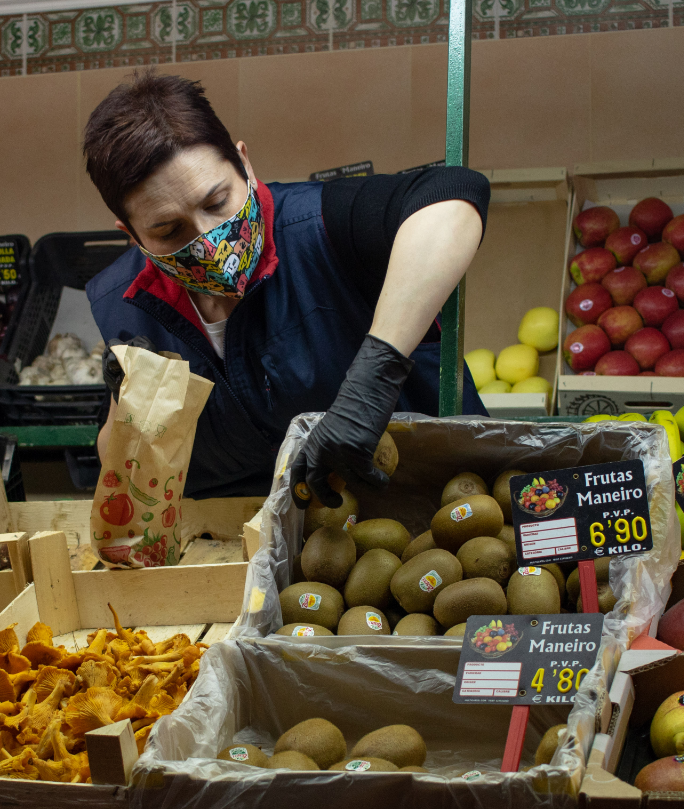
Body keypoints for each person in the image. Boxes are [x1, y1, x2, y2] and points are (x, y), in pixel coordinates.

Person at [83, 70, 488, 506]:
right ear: (131, 234)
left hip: (432, 515)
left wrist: (375, 377)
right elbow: (124, 469)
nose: (207, 239)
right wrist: (128, 409)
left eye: (217, 202)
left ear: (244, 163)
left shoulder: (321, 226)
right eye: (168, 229)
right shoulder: (126, 305)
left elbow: (454, 195)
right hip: (246, 548)